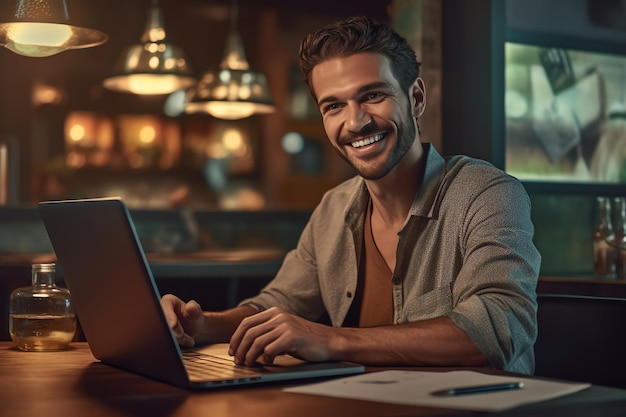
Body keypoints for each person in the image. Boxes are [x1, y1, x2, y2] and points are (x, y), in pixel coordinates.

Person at [161, 16, 541, 375]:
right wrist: (201, 324)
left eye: (373, 95)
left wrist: (330, 339)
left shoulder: (486, 194)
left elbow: (499, 326)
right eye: (334, 106)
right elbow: (276, 306)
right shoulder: (334, 207)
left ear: (417, 98)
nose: (355, 122)